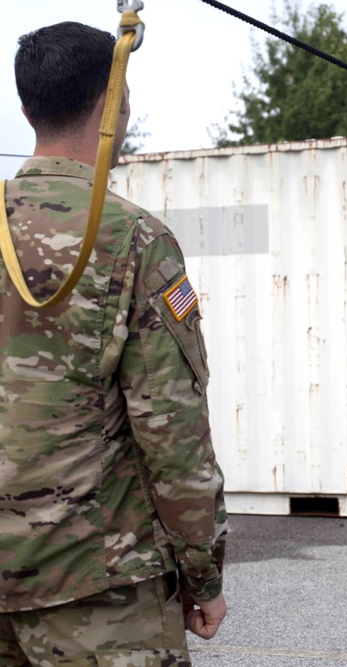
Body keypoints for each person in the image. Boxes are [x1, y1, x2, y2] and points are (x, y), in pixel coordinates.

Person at [0, 22, 228, 664]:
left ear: (25, 111)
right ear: (116, 99)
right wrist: (202, 573)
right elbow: (171, 430)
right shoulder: (133, 238)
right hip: (97, 586)